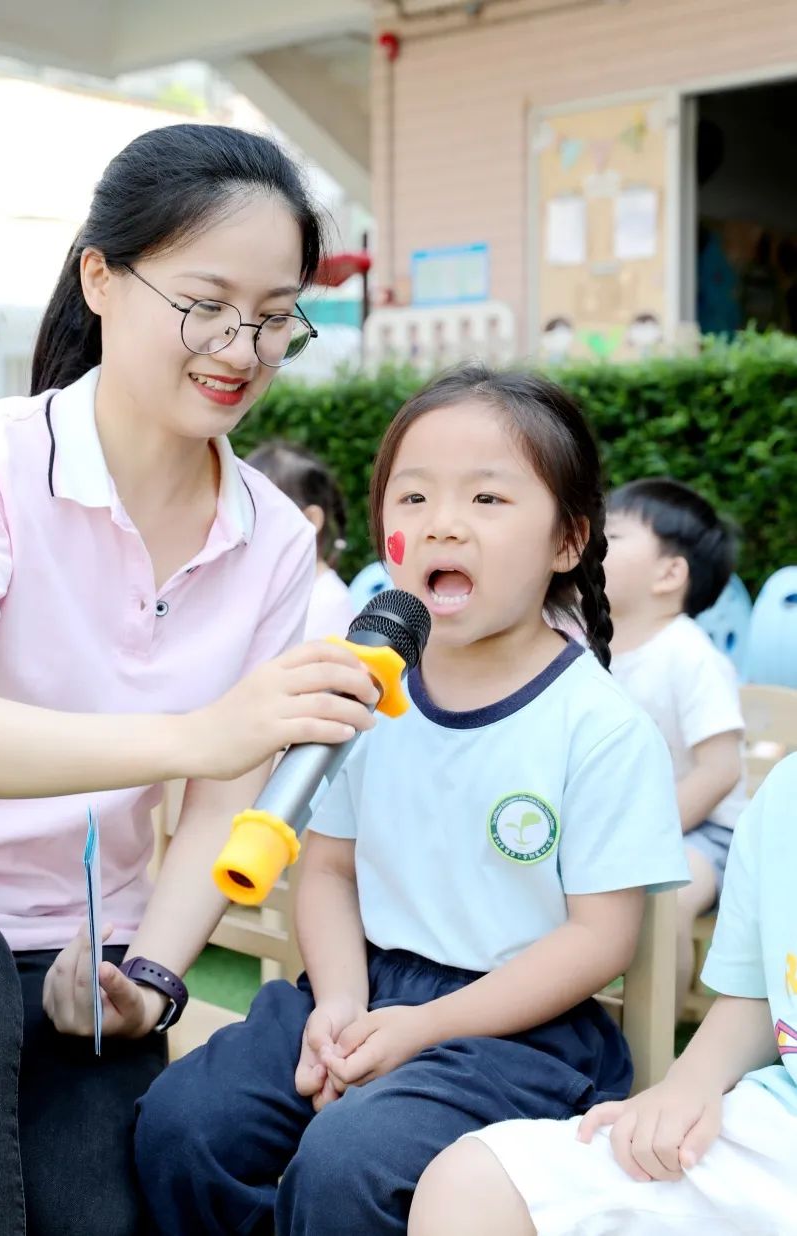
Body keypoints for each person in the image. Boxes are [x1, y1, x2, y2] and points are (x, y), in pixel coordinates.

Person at [0, 124, 379, 1236]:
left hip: (77, 959)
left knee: (99, 1214)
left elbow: (219, 813)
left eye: (273, 315)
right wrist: (195, 733)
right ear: (102, 279)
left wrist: (152, 976)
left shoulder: (271, 545)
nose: (240, 347)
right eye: (206, 302)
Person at [133, 366, 691, 1235]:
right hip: (359, 984)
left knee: (351, 1159)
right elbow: (326, 869)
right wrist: (344, 1008)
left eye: (487, 500)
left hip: (516, 1033)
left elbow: (598, 940)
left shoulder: (601, 728)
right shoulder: (365, 690)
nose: (442, 524)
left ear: (568, 541)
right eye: (413, 496)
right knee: (187, 1123)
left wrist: (419, 1029)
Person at [409, 754, 797, 1236]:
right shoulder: (785, 794)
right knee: (469, 1184)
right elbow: (762, 991)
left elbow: (716, 767)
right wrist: (690, 1082)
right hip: (778, 1126)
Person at [603, 478, 746, 1014]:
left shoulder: (690, 655)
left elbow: (720, 770)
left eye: (611, 536)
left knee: (666, 900)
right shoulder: (589, 650)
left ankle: (657, 1049)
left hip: (708, 833)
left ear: (669, 573)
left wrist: (649, 837)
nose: (592, 541)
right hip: (624, 830)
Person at [246, 440, 356, 639]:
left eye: (259, 512)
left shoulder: (327, 603)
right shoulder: (283, 591)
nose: (246, 525)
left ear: (310, 521)